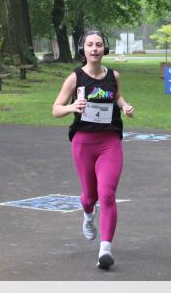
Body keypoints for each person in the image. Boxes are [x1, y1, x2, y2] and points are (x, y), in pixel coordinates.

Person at [52, 30, 134, 270]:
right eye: (90, 45)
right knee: (90, 196)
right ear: (83, 49)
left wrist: (125, 106)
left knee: (106, 194)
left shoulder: (113, 76)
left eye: (99, 45)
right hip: (83, 143)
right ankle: (88, 214)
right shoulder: (74, 78)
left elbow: (117, 96)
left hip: (110, 141)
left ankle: (105, 249)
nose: (95, 49)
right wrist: (71, 108)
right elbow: (55, 109)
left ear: (104, 49)